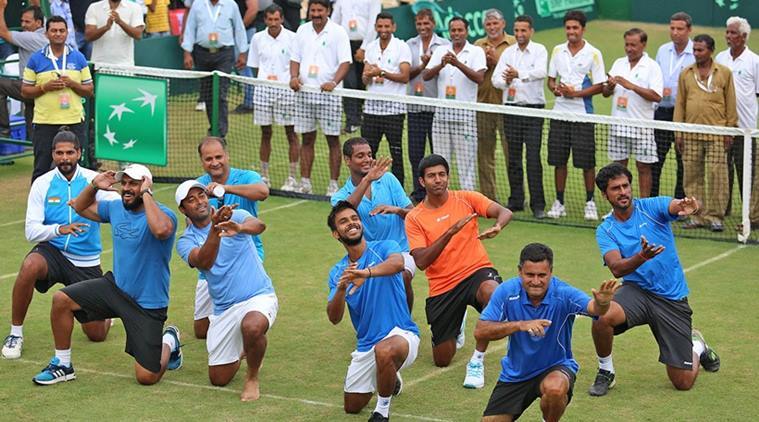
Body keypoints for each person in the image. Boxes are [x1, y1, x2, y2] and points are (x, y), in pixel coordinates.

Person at [33, 164, 182, 385]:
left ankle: (169, 340)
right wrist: (94, 185)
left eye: (135, 183)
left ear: (146, 186)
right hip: (115, 289)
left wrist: (147, 195)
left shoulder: (164, 215)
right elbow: (81, 207)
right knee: (61, 299)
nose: (128, 188)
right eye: (125, 183)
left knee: (146, 377)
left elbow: (160, 230)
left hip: (148, 304)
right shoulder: (115, 208)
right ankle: (63, 365)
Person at [588, 163, 720, 397]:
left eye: (626, 186)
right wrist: (641, 257)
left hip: (671, 298)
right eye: (615, 188)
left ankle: (697, 344)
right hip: (636, 293)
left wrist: (690, 206)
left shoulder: (652, 207)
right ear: (605, 194)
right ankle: (606, 371)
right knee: (601, 314)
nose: (623, 192)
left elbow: (677, 206)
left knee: (682, 382)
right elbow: (617, 269)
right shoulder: (606, 229)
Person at [1, 129, 117, 360]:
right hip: (52, 252)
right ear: (53, 154)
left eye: (70, 153)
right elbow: (31, 231)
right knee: (30, 265)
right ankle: (15, 334)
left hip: (86, 260)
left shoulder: (94, 181)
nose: (65, 158)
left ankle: (106, 313)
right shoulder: (42, 184)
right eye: (59, 153)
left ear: (79, 153)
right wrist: (58, 229)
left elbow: (118, 209)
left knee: (96, 334)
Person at [476, 243, 619, 421]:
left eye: (542, 275)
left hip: (556, 367)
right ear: (520, 271)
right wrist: (520, 325)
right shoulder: (506, 291)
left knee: (555, 389)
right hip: (516, 374)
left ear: (550, 272)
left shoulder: (564, 293)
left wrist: (603, 303)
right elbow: (481, 331)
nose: (536, 281)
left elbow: (594, 309)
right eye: (530, 275)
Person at [405, 154, 512, 389]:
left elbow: (504, 212)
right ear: (422, 182)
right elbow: (421, 261)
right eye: (431, 176)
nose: (438, 180)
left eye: (442, 174)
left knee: (495, 298)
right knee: (442, 359)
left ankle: (477, 360)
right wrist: (448, 233)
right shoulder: (415, 218)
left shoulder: (466, 198)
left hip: (477, 272)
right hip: (444, 286)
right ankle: (458, 319)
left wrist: (497, 226)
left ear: (448, 176)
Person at [176, 180, 277, 401]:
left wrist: (239, 227)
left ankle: (252, 378)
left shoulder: (236, 214)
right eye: (190, 200)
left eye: (201, 196)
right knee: (218, 378)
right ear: (183, 210)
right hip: (224, 309)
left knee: (252, 326)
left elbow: (259, 226)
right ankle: (244, 349)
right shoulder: (185, 241)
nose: (199, 202)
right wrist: (215, 228)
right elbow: (205, 262)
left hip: (258, 295)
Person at [327, 200, 420, 421]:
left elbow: (397, 264)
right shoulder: (338, 271)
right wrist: (341, 289)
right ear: (336, 234)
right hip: (367, 344)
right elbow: (334, 317)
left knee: (385, 351)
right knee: (352, 406)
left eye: (354, 219)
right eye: (343, 222)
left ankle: (382, 411)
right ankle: (390, 376)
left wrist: (365, 273)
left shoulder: (385, 247)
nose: (351, 223)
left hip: (402, 334)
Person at [193, 136, 269, 339]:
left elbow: (262, 192)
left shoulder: (246, 176)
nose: (215, 162)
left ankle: (249, 330)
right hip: (213, 259)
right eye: (208, 159)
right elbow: (191, 223)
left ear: (227, 156)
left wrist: (224, 188)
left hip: (246, 257)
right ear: (202, 161)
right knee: (201, 331)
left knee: (245, 320)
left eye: (219, 156)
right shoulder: (199, 186)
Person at [331, 137, 415, 310]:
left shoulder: (389, 180)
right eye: (360, 156)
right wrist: (367, 180)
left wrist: (397, 210)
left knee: (403, 276)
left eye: (369, 155)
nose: (367, 159)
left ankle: (405, 322)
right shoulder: (339, 196)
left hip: (401, 249)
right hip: (367, 256)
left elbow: (414, 215)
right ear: (347, 160)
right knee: (360, 291)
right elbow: (346, 211)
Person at [546, 10, 606, 221]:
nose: (571, 32)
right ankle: (559, 201)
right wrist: (555, 89)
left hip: (583, 116)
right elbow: (551, 80)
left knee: (587, 163)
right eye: (568, 28)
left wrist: (576, 94)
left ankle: (590, 202)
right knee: (558, 161)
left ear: (583, 29)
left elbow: (600, 86)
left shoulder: (594, 53)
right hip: (560, 115)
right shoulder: (557, 50)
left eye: (575, 28)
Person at [674, 34, 737, 233]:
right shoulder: (686, 73)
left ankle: (715, 217)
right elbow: (680, 104)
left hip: (717, 133)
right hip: (691, 133)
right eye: (694, 50)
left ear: (711, 50)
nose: (696, 53)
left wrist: (729, 131)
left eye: (700, 50)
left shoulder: (724, 73)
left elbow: (731, 104)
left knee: (717, 176)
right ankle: (696, 215)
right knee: (691, 176)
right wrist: (678, 132)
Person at [289, 0, 351, 196]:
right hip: (305, 94)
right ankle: (305, 182)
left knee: (332, 140)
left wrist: (333, 82)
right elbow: (295, 59)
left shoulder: (339, 32)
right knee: (307, 139)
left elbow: (345, 62)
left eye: (319, 10)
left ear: (328, 11)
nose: (316, 13)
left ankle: (333, 185)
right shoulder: (302, 30)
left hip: (329, 96)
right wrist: (293, 77)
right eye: (313, 10)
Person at [21, 16, 93, 183]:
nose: (58, 34)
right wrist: (44, 87)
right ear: (46, 34)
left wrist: (72, 84)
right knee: (42, 168)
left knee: (77, 168)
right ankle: (37, 207)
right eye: (54, 30)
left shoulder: (78, 58)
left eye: (62, 30)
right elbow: (25, 91)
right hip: (45, 122)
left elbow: (89, 91)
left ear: (67, 33)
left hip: (74, 120)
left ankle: (79, 205)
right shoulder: (35, 59)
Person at [492, 14, 547, 219]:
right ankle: (516, 200)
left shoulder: (540, 50)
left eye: (524, 30)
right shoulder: (508, 53)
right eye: (517, 30)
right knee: (513, 157)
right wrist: (506, 81)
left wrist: (519, 74)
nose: (520, 34)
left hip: (533, 110)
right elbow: (497, 79)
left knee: (533, 158)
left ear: (531, 31)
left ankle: (538, 205)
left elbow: (542, 71)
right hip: (511, 110)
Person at [423, 17, 486, 191]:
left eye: (460, 30)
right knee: (439, 163)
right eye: (453, 30)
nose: (456, 34)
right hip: (441, 117)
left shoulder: (476, 52)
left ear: (467, 31)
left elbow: (479, 78)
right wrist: (441, 64)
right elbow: (426, 75)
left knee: (466, 164)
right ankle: (442, 199)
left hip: (465, 116)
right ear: (449, 32)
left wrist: (457, 63)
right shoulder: (441, 50)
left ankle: (469, 201)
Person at [602, 28, 663, 198]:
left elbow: (657, 96)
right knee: (618, 169)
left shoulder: (653, 67)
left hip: (642, 128)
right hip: (618, 126)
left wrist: (632, 86)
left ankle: (643, 207)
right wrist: (610, 86)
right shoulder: (618, 63)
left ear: (643, 45)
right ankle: (619, 205)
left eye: (633, 45)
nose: (629, 48)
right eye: (627, 45)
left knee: (644, 168)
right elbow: (605, 93)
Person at [247, 4, 300, 191]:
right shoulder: (257, 38)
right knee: (265, 133)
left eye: (276, 19)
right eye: (270, 20)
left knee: (291, 133)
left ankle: (292, 177)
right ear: (265, 20)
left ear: (282, 19)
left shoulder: (293, 39)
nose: (273, 23)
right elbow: (254, 65)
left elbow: (296, 65)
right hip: (263, 92)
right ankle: (264, 176)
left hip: (286, 93)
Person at [182, 0, 248, 139]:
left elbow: (239, 28)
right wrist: (187, 52)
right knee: (207, 94)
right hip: (202, 53)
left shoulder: (231, 5)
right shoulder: (198, 4)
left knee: (220, 93)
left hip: (224, 54)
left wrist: (242, 52)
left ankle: (220, 133)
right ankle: (214, 128)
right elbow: (190, 28)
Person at [360, 12, 411, 185]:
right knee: (367, 152)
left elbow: (405, 77)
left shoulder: (402, 47)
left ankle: (398, 188)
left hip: (394, 110)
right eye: (380, 26)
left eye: (387, 26)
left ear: (393, 27)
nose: (383, 30)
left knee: (395, 152)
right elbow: (364, 79)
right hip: (371, 110)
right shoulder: (371, 47)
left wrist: (381, 72)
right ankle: (366, 187)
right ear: (375, 27)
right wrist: (368, 74)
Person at [715, 17, 759, 218]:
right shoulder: (721, 58)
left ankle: (749, 213)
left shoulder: (754, 61)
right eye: (727, 32)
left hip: (745, 129)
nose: (728, 36)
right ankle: (723, 210)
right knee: (723, 173)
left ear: (743, 37)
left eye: (733, 33)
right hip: (722, 127)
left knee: (745, 173)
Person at [405, 8, 449, 203]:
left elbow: (447, 74)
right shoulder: (409, 45)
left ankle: (439, 191)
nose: (423, 27)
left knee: (437, 154)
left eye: (426, 23)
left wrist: (432, 64)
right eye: (419, 24)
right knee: (415, 153)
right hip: (415, 106)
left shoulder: (444, 45)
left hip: (436, 107)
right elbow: (407, 74)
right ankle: (419, 192)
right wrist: (423, 66)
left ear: (433, 24)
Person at [474, 9, 515, 203]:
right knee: (484, 155)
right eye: (488, 24)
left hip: (507, 106)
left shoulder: (514, 43)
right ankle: (488, 197)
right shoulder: (478, 46)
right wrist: (485, 61)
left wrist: (496, 61)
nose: (492, 27)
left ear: (503, 24)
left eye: (495, 23)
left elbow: (516, 72)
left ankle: (516, 196)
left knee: (511, 154)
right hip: (482, 105)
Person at [652, 12, 694, 199]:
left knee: (683, 163)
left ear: (689, 30)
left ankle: (680, 203)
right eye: (672, 28)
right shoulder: (662, 50)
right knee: (655, 160)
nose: (675, 32)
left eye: (680, 29)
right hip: (661, 112)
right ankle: (652, 201)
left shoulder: (697, 52)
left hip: (684, 116)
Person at [331, 0, 381, 134]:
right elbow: (335, 20)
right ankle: (351, 121)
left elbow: (373, 23)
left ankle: (361, 117)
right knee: (348, 82)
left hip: (366, 45)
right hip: (345, 44)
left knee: (363, 82)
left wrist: (364, 48)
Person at [0, 2, 47, 139]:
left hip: (34, 88)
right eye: (22, 21)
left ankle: (3, 131)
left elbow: (3, 32)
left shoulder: (31, 37)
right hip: (40, 88)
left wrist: (1, 7)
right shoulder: (44, 34)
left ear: (38, 23)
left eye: (27, 21)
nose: (23, 25)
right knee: (32, 125)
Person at [84, 0, 145, 65]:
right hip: (98, 64)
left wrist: (120, 22)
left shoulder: (135, 7)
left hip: (125, 65)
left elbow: (138, 35)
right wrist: (106, 27)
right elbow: (88, 36)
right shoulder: (94, 7)